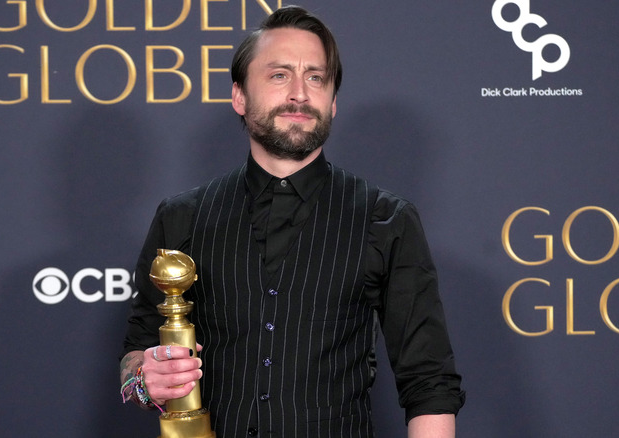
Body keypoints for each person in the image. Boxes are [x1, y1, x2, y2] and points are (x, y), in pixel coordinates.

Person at [120, 5, 465, 437]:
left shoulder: (387, 219)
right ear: (240, 96)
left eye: (316, 77)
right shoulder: (181, 217)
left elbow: (428, 381)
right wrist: (142, 380)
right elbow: (138, 350)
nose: (300, 93)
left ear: (333, 102)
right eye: (279, 74)